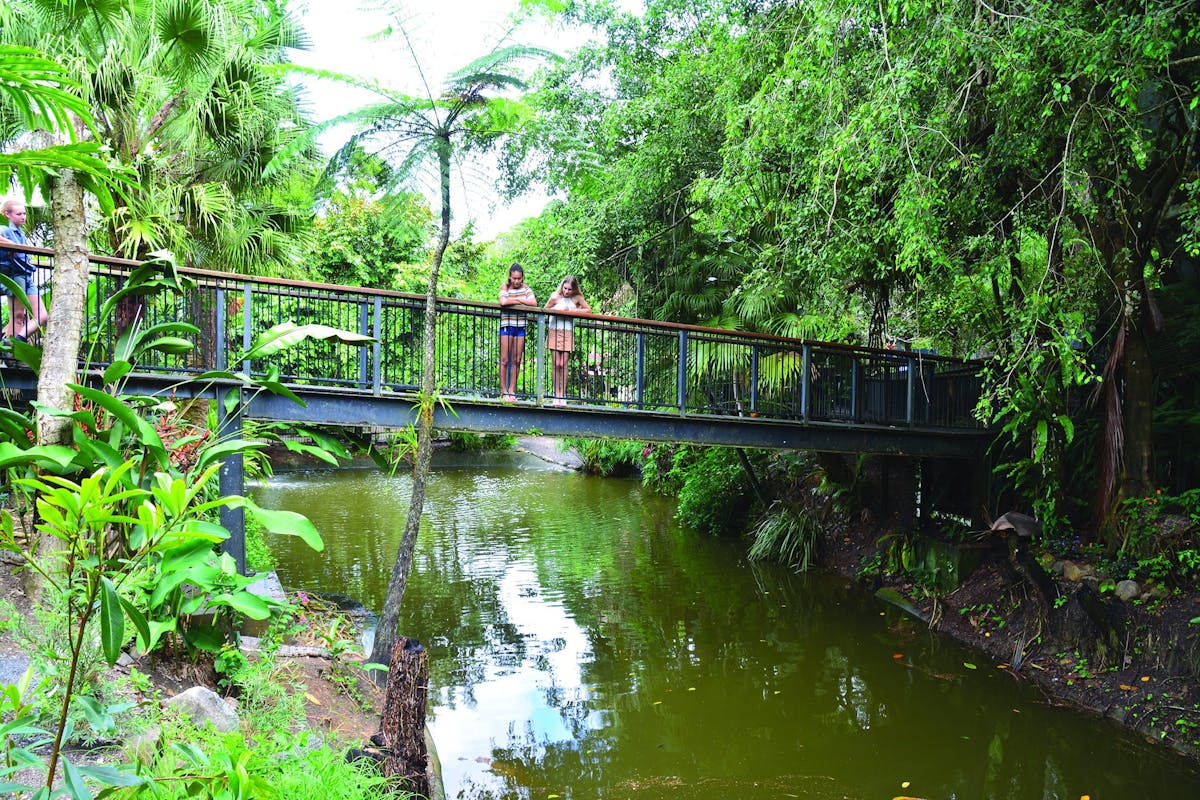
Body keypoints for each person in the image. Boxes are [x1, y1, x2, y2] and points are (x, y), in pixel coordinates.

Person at [0, 198, 49, 347]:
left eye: (24, 213)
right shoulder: (5, 230)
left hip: (26, 275)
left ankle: (16, 341)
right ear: (7, 215)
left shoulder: (20, 233)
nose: (23, 217)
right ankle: (14, 353)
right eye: (18, 214)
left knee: (42, 316)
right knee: (18, 316)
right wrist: (14, 246)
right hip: (15, 275)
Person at [544, 275, 591, 406]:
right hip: (554, 330)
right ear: (562, 286)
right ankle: (556, 395)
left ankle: (563, 395)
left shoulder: (577, 298)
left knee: (563, 364)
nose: (566, 291)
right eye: (565, 288)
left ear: (574, 289)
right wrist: (557, 310)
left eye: (569, 289)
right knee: (555, 364)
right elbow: (545, 309)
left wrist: (572, 310)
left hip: (568, 332)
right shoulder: (555, 296)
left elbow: (589, 310)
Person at [498, 263, 537, 402]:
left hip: (520, 326)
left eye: (519, 278)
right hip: (507, 325)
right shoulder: (505, 287)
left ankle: (512, 391)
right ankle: (504, 392)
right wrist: (522, 301)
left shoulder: (526, 289)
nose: (516, 281)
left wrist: (515, 300)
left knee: (517, 360)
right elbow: (503, 301)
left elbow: (533, 303)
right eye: (514, 278)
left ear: (522, 278)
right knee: (504, 360)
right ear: (510, 277)